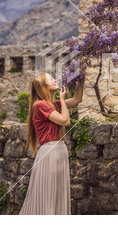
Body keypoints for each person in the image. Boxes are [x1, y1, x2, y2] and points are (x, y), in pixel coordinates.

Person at [19, 72, 83, 215]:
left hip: (60, 151)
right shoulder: (40, 105)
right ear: (44, 86)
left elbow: (77, 99)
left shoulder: (53, 104)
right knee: (49, 193)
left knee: (58, 193)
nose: (55, 80)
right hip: (50, 152)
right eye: (50, 79)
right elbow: (65, 121)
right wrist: (62, 98)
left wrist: (81, 78)